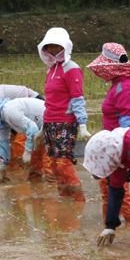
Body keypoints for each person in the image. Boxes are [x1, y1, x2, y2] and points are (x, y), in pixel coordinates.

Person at [87, 42, 130, 237]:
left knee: (111, 186)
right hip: (112, 145)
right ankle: (115, 224)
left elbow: (128, 122)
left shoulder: (124, 87)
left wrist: (121, 154)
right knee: (112, 186)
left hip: (116, 146)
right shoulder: (120, 84)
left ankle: (126, 224)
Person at [37, 27, 89, 201]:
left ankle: (79, 200)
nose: (53, 50)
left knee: (63, 161)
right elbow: (49, 101)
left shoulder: (72, 69)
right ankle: (65, 200)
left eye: (56, 46)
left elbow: (77, 98)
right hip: (49, 122)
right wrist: (42, 126)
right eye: (49, 46)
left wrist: (83, 125)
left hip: (65, 121)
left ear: (65, 46)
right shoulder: (52, 69)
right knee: (53, 162)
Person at [0, 93, 45, 183]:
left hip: (53, 121)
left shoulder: (9, 111)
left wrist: (28, 152)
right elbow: (3, 142)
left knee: (52, 159)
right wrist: (2, 169)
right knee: (35, 169)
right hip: (42, 128)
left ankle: (53, 188)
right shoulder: (2, 118)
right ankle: (38, 186)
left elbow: (33, 128)